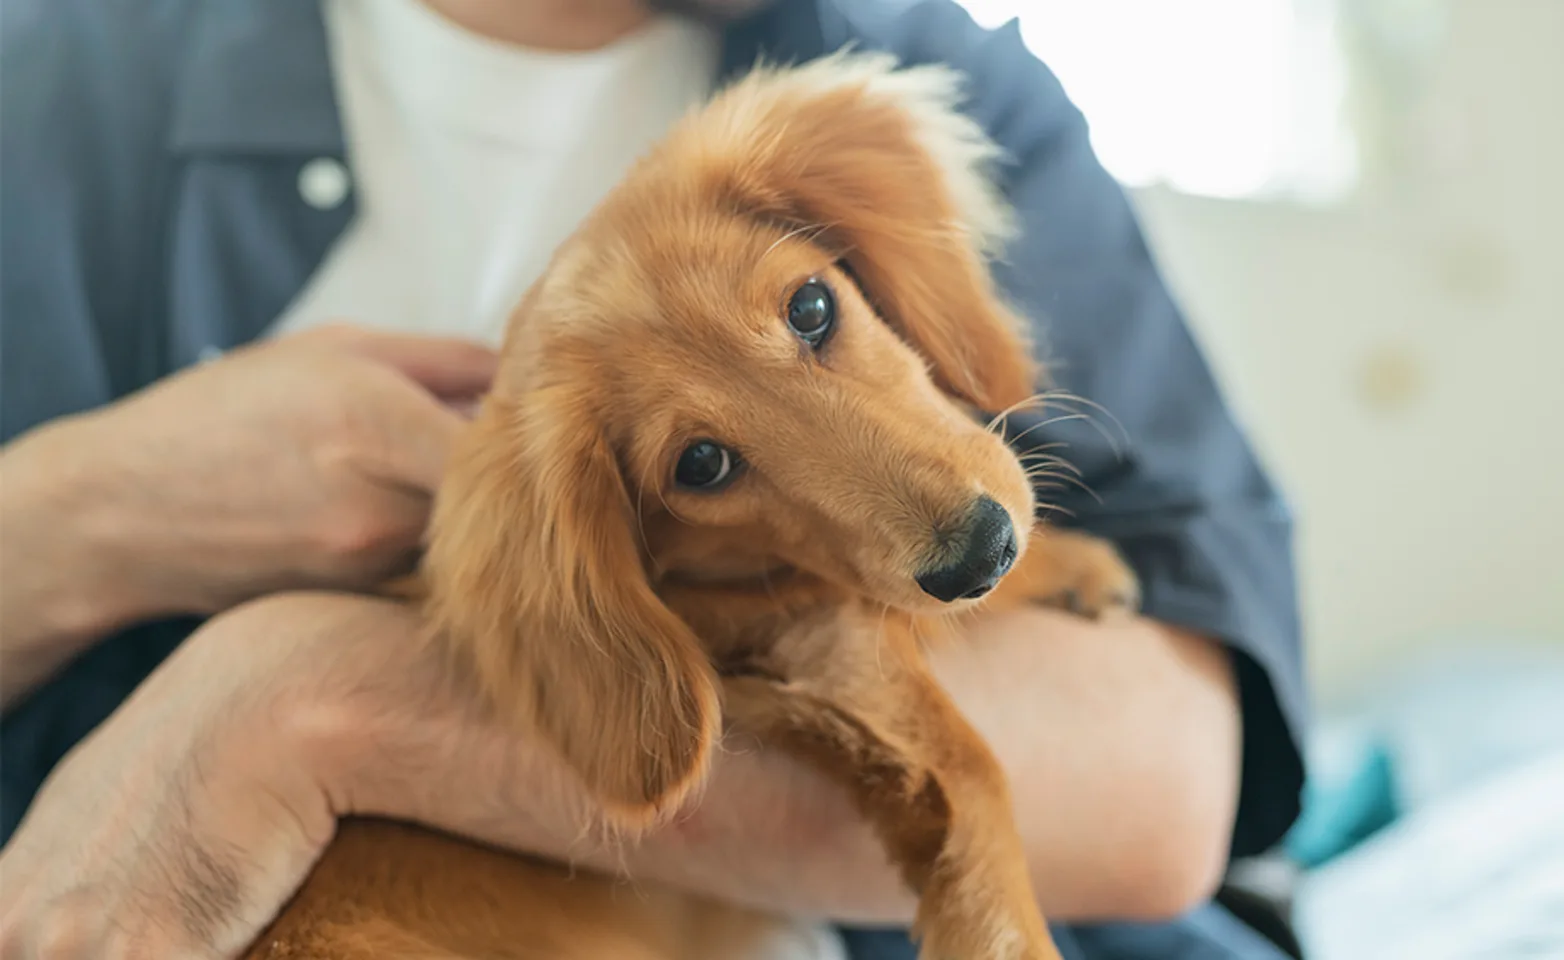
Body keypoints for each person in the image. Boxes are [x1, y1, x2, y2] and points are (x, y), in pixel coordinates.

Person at [0, 0, 1308, 957]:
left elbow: (1174, 778)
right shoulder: (58, 88)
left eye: (810, 312)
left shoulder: (921, 64)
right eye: (707, 462)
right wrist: (86, 509)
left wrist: (308, 703)